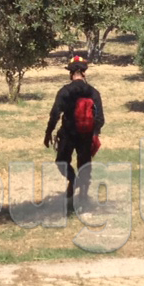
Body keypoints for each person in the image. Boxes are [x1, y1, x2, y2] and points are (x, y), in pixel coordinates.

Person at [44, 56, 105, 202]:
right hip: (86, 135)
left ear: (71, 73)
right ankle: (83, 197)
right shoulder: (93, 92)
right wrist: (94, 133)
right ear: (84, 73)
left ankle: (73, 180)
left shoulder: (65, 91)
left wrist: (48, 133)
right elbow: (100, 119)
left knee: (61, 161)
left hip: (68, 134)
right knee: (85, 166)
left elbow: (55, 114)